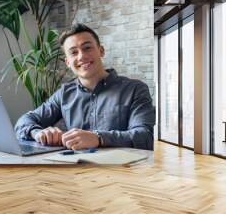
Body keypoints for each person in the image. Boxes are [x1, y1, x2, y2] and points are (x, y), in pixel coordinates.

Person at [14, 23, 155, 150]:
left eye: (87, 48)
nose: (81, 56)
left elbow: (145, 137)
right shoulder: (64, 94)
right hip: (76, 172)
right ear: (68, 62)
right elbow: (23, 122)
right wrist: (38, 132)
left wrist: (99, 138)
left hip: (123, 172)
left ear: (101, 51)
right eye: (74, 52)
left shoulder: (135, 89)